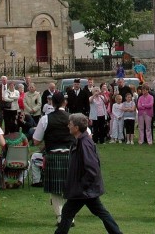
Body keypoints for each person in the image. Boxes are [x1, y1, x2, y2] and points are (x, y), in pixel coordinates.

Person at [53, 113, 123, 234]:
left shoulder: (84, 144)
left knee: (68, 212)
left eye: (70, 124)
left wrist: (82, 185)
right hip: (85, 189)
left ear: (76, 128)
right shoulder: (81, 141)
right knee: (98, 212)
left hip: (83, 189)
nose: (68, 125)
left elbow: (92, 168)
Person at [32, 92, 72, 224]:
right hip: (70, 157)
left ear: (52, 103)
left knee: (55, 190)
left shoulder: (45, 119)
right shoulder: (72, 118)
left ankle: (60, 218)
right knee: (69, 188)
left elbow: (36, 141)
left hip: (53, 156)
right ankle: (70, 218)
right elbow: (86, 135)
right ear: (65, 102)